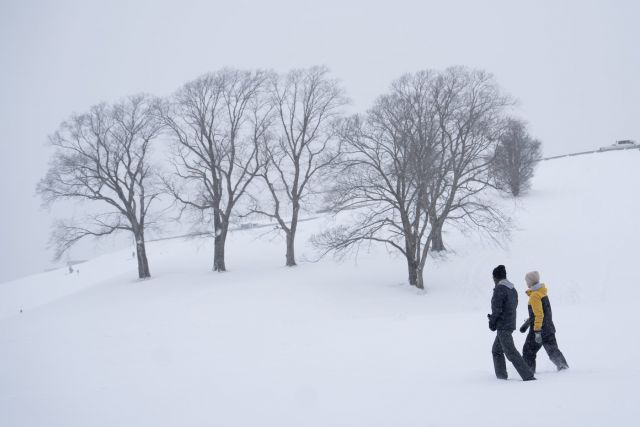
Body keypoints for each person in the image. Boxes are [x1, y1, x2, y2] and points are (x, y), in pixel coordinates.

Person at [488, 265, 536, 381]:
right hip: (509, 323)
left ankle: (528, 376)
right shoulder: (512, 289)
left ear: (496, 278)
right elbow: (511, 307)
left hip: (503, 326)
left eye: (493, 278)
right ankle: (501, 377)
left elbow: (497, 309)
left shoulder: (500, 289)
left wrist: (492, 321)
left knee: (510, 352)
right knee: (496, 350)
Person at [519, 271, 569, 373]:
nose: (526, 283)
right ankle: (564, 368)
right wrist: (528, 321)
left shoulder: (534, 296)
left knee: (528, 351)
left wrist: (537, 331)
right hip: (548, 328)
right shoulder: (542, 293)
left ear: (530, 282)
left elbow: (539, 314)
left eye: (526, 281)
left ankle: (528, 373)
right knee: (553, 350)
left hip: (539, 329)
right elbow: (542, 313)